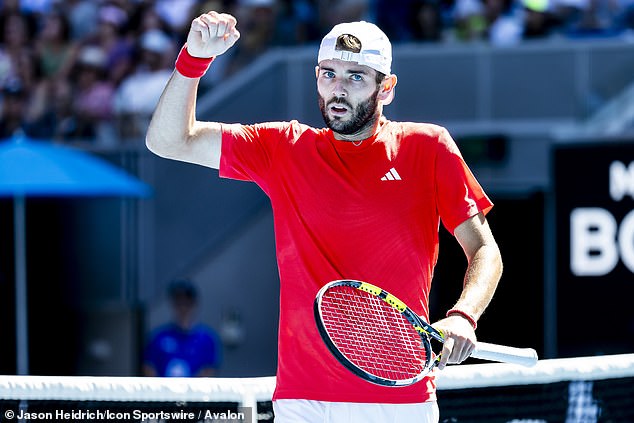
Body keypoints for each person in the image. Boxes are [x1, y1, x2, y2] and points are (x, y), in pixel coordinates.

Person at [146, 11, 503, 423]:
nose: (338, 88)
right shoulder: (282, 147)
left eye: (355, 77)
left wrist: (464, 316)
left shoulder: (429, 147)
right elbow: (167, 140)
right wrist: (193, 58)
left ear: (386, 88)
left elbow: (484, 250)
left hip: (401, 403)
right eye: (328, 74)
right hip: (302, 402)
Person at [143, 279, 222, 377]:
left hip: (195, 391)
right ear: (173, 304)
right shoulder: (158, 337)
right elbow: (149, 367)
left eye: (187, 302)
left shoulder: (206, 339)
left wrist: (189, 389)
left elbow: (209, 369)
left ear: (194, 304)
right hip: (164, 390)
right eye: (179, 302)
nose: (183, 307)